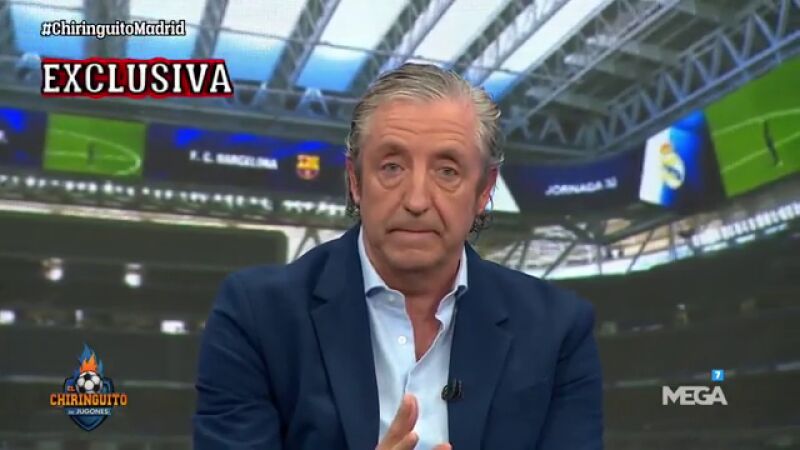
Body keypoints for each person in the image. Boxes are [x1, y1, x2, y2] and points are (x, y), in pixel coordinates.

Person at [193, 63, 603, 449]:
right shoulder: (258, 316)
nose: (417, 200)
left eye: (447, 171)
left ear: (484, 191)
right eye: (392, 167)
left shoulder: (558, 330)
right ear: (355, 181)